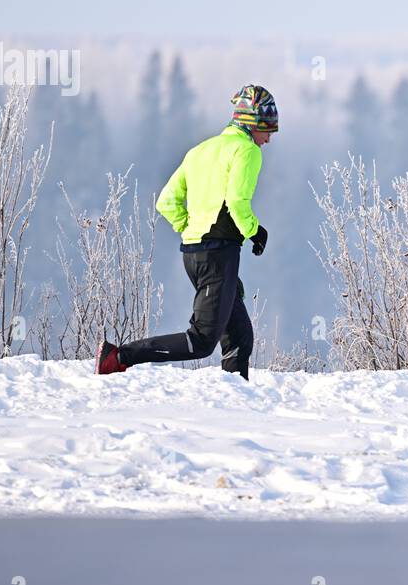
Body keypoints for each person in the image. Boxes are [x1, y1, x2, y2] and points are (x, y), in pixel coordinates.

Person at [96, 85, 277, 380]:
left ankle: (236, 397)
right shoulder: (247, 151)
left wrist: (191, 229)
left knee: (239, 336)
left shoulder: (199, 151)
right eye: (267, 127)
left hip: (195, 253)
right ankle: (118, 357)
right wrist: (255, 231)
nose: (269, 138)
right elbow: (236, 201)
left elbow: (166, 201)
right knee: (201, 341)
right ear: (251, 122)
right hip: (218, 253)